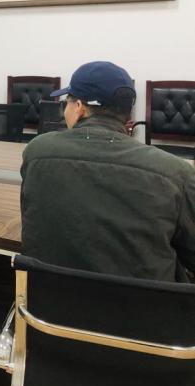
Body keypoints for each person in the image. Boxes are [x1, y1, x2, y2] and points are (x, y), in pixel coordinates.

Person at [21, 61, 195, 282]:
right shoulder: (176, 173)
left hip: (49, 301)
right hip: (142, 304)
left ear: (79, 107)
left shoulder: (36, 151)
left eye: (66, 103)